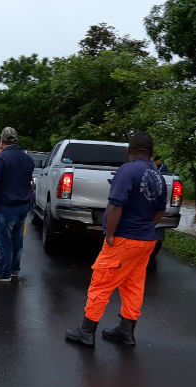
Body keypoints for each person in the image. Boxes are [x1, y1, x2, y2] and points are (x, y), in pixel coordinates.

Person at [65, 132, 167, 346]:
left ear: (129, 150)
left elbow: (115, 205)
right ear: (151, 152)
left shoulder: (127, 170)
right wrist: (148, 227)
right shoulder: (157, 175)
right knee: (133, 284)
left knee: (101, 283)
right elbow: (160, 210)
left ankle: (87, 331)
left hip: (124, 238)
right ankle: (126, 330)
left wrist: (110, 233)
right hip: (147, 240)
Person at [0, 127, 34, 281]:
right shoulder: (27, 158)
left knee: (3, 241)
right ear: (16, 139)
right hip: (23, 206)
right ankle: (14, 270)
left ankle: (3, 273)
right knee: (17, 240)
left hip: (5, 206)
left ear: (2, 140)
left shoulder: (1, 158)